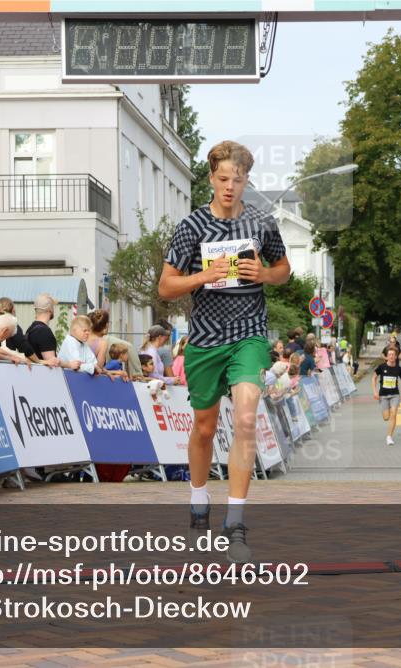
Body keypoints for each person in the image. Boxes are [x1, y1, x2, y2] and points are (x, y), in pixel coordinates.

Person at [157, 139, 290, 563]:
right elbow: (165, 287)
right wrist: (203, 276)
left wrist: (264, 274)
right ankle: (199, 502)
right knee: (204, 428)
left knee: (246, 418)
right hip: (205, 340)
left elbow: (284, 270)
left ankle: (235, 525)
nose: (230, 186)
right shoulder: (192, 226)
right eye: (223, 178)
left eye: (239, 179)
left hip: (249, 335)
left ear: (248, 179)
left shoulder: (261, 223)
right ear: (212, 178)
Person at [26, 293, 74, 369]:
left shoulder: (30, 329)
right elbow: (53, 363)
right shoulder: (44, 332)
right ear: (50, 310)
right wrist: (70, 365)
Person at [374, 347, 401, 446]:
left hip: (394, 395)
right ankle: (388, 407)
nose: (391, 356)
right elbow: (374, 377)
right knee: (386, 417)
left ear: (396, 357)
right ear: (387, 356)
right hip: (383, 395)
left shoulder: (399, 369)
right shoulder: (381, 367)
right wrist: (374, 391)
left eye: (393, 355)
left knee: (393, 413)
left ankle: (389, 437)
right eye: (389, 355)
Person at [0, 297, 38, 362]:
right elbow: (24, 346)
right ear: (13, 310)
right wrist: (38, 361)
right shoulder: (13, 326)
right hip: (10, 364)